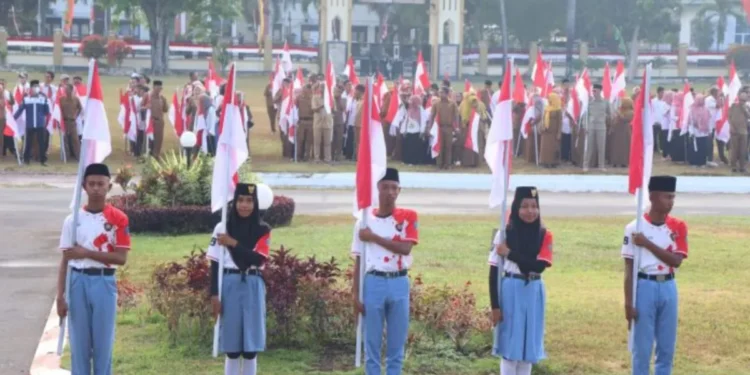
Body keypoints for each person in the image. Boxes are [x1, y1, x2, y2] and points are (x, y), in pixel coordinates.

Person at [56, 163, 131, 375]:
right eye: (92, 184)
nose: (96, 188)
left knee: (103, 344)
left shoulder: (118, 219)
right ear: (84, 187)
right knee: (79, 345)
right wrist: (60, 295)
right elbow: (65, 260)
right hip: (77, 282)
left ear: (109, 186)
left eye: (101, 184)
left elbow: (121, 258)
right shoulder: (72, 220)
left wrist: (87, 253)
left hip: (103, 282)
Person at [351, 167, 419, 375]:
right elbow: (359, 259)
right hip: (373, 281)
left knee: (396, 343)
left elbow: (405, 248)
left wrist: (374, 238)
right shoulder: (363, 221)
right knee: (371, 342)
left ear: (399, 191)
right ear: (377, 189)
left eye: (394, 188)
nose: (390, 192)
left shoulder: (407, 217)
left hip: (398, 281)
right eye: (385, 187)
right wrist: (355, 293)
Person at [622, 175, 688, 375]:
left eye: (673, 197)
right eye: (667, 197)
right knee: (641, 348)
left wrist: (647, 244)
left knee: (666, 347)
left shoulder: (678, 226)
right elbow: (629, 268)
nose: (671, 202)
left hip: (668, 285)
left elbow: (676, 260)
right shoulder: (634, 228)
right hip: (644, 286)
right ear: (652, 197)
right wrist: (628, 303)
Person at [488, 186, 553, 375]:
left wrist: (509, 253)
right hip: (511, 289)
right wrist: (495, 306)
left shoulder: (544, 234)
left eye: (534, 206)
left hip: (533, 290)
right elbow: (493, 272)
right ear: (516, 208)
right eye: (524, 206)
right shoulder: (503, 234)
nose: (530, 211)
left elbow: (538, 266)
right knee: (510, 348)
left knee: (528, 348)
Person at [208, 183, 271, 375]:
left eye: (250, 201)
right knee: (232, 346)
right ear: (234, 202)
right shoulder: (223, 227)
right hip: (230, 283)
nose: (245, 205)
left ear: (256, 203)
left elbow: (258, 258)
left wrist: (233, 243)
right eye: (240, 200)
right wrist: (214, 295)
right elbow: (215, 264)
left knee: (251, 347)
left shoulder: (263, 229)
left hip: (252, 283)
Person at [14, 79, 50, 166]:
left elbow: (46, 112)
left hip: (40, 124)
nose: (35, 88)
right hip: (29, 124)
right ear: (31, 88)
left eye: (37, 87)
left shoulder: (43, 99)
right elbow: (20, 110)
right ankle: (26, 160)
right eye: (34, 87)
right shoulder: (26, 99)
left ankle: (42, 160)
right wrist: (13, 119)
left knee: (41, 142)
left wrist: (46, 102)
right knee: (28, 143)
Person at [429, 87, 458, 169]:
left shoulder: (452, 103)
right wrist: (429, 127)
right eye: (439, 92)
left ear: (446, 93)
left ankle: (448, 164)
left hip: (449, 128)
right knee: (439, 146)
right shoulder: (436, 103)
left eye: (442, 92)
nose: (440, 94)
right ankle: (439, 164)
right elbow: (432, 116)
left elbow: (456, 116)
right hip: (439, 128)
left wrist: (457, 127)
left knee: (448, 147)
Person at [583, 83, 610, 172]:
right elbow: (585, 116)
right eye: (593, 91)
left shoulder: (605, 102)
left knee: (601, 147)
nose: (593, 92)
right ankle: (586, 165)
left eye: (595, 90)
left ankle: (601, 166)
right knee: (589, 147)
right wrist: (585, 126)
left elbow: (610, 114)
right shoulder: (589, 102)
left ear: (600, 91)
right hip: (591, 127)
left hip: (601, 127)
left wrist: (606, 119)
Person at [59, 84, 83, 160]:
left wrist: (76, 115)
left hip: (72, 122)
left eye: (67, 89)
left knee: (75, 140)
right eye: (65, 89)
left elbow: (80, 108)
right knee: (65, 139)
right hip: (64, 121)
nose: (66, 91)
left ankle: (79, 156)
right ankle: (66, 156)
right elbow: (58, 109)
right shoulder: (61, 99)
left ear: (71, 90)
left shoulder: (76, 99)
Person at [609, 97, 634, 168]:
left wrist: (618, 114)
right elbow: (615, 120)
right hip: (617, 131)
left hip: (625, 131)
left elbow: (625, 119)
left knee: (624, 147)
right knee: (616, 147)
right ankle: (615, 161)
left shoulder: (631, 112)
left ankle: (624, 162)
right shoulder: (621, 111)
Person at [312, 80, 333, 163]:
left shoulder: (330, 99)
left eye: (324, 87)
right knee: (317, 142)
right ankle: (317, 158)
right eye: (321, 87)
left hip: (327, 122)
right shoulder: (315, 97)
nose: (322, 89)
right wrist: (322, 105)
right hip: (318, 122)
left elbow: (333, 109)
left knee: (327, 142)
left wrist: (328, 103)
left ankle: (327, 158)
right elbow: (314, 109)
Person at [539, 92, 562, 168]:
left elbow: (560, 122)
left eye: (550, 98)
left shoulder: (558, 109)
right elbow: (543, 118)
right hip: (545, 131)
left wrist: (559, 133)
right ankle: (544, 162)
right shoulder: (546, 108)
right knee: (545, 147)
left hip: (554, 132)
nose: (548, 100)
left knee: (553, 147)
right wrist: (542, 126)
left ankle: (553, 162)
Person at [687, 95, 710, 167]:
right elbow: (690, 122)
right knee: (695, 148)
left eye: (703, 99)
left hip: (704, 132)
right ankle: (694, 162)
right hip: (695, 132)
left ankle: (702, 162)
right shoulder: (692, 109)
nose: (703, 101)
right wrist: (691, 132)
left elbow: (708, 120)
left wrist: (709, 130)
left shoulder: (706, 109)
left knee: (703, 147)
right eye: (701, 99)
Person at [728, 91, 749, 173]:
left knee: (743, 150)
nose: (742, 102)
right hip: (734, 131)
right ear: (738, 98)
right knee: (734, 150)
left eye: (744, 100)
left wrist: (744, 109)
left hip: (743, 131)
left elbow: (748, 116)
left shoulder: (746, 107)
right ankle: (733, 166)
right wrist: (731, 127)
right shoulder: (733, 106)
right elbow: (729, 117)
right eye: (741, 100)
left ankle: (742, 167)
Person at [149, 80, 169, 160]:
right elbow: (140, 107)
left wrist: (165, 101)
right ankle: (149, 152)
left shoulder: (162, 98)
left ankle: (156, 154)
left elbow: (165, 109)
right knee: (150, 138)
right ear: (153, 87)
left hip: (159, 121)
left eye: (160, 88)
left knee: (159, 138)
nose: (159, 90)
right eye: (157, 88)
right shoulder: (148, 97)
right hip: (151, 120)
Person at [295, 84, 314, 161]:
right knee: (300, 140)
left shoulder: (313, 99)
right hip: (301, 121)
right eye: (303, 89)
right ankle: (299, 156)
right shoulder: (299, 98)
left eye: (305, 89)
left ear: (309, 90)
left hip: (310, 121)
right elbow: (295, 107)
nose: (303, 91)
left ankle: (307, 157)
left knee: (309, 140)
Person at [332, 83, 347, 162]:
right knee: (332, 140)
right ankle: (331, 155)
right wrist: (335, 97)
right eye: (337, 90)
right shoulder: (331, 98)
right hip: (332, 121)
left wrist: (339, 98)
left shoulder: (343, 99)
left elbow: (343, 108)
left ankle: (338, 155)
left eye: (340, 90)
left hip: (340, 122)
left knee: (339, 140)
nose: (338, 92)